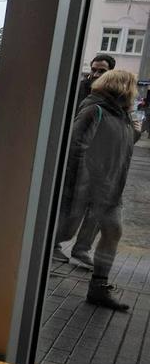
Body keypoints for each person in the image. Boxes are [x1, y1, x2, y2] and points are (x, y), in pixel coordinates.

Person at [54, 70, 141, 310]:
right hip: (91, 188)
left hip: (112, 189)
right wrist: (82, 184)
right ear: (124, 87)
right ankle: (36, 263)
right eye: (134, 87)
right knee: (64, 231)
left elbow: (125, 145)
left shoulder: (122, 115)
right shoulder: (95, 109)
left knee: (113, 232)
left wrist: (134, 126)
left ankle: (98, 288)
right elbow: (75, 147)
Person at [53, 53, 116, 267]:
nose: (96, 74)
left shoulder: (114, 95)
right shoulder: (79, 89)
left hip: (102, 160)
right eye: (94, 69)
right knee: (70, 204)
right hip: (79, 156)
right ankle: (54, 245)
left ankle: (81, 249)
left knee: (96, 208)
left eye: (102, 71)